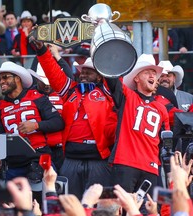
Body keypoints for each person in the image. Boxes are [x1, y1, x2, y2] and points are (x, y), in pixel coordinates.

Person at [32, 39, 116, 200]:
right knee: (70, 203)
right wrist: (42, 51)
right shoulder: (70, 91)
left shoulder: (108, 92)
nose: (83, 74)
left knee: (100, 204)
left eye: (89, 71)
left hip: (98, 159)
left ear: (100, 76)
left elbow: (114, 77)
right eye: (82, 71)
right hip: (71, 159)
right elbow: (53, 73)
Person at [105, 54, 170, 197]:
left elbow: (165, 142)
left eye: (154, 73)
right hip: (125, 163)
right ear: (136, 78)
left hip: (151, 167)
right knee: (122, 208)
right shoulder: (127, 96)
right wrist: (112, 54)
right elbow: (111, 78)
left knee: (148, 210)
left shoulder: (162, 108)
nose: (152, 75)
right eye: (147, 72)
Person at [0, 61, 64, 184]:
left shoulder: (37, 97)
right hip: (13, 163)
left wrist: (36, 125)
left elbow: (58, 122)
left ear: (17, 78)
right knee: (14, 202)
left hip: (39, 158)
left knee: (47, 199)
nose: (1, 81)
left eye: (5, 77)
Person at [32, 63, 65, 172]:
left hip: (62, 149)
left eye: (50, 81)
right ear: (37, 80)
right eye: (44, 82)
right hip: (41, 150)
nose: (47, 85)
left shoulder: (64, 94)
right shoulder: (30, 96)